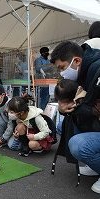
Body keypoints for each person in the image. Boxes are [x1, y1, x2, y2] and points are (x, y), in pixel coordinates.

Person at [51, 39, 100, 193]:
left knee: (79, 145)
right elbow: (85, 106)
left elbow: (93, 109)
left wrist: (73, 107)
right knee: (63, 125)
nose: (61, 73)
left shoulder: (97, 70)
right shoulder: (83, 71)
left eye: (62, 67)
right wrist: (66, 108)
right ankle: (96, 166)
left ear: (77, 60)